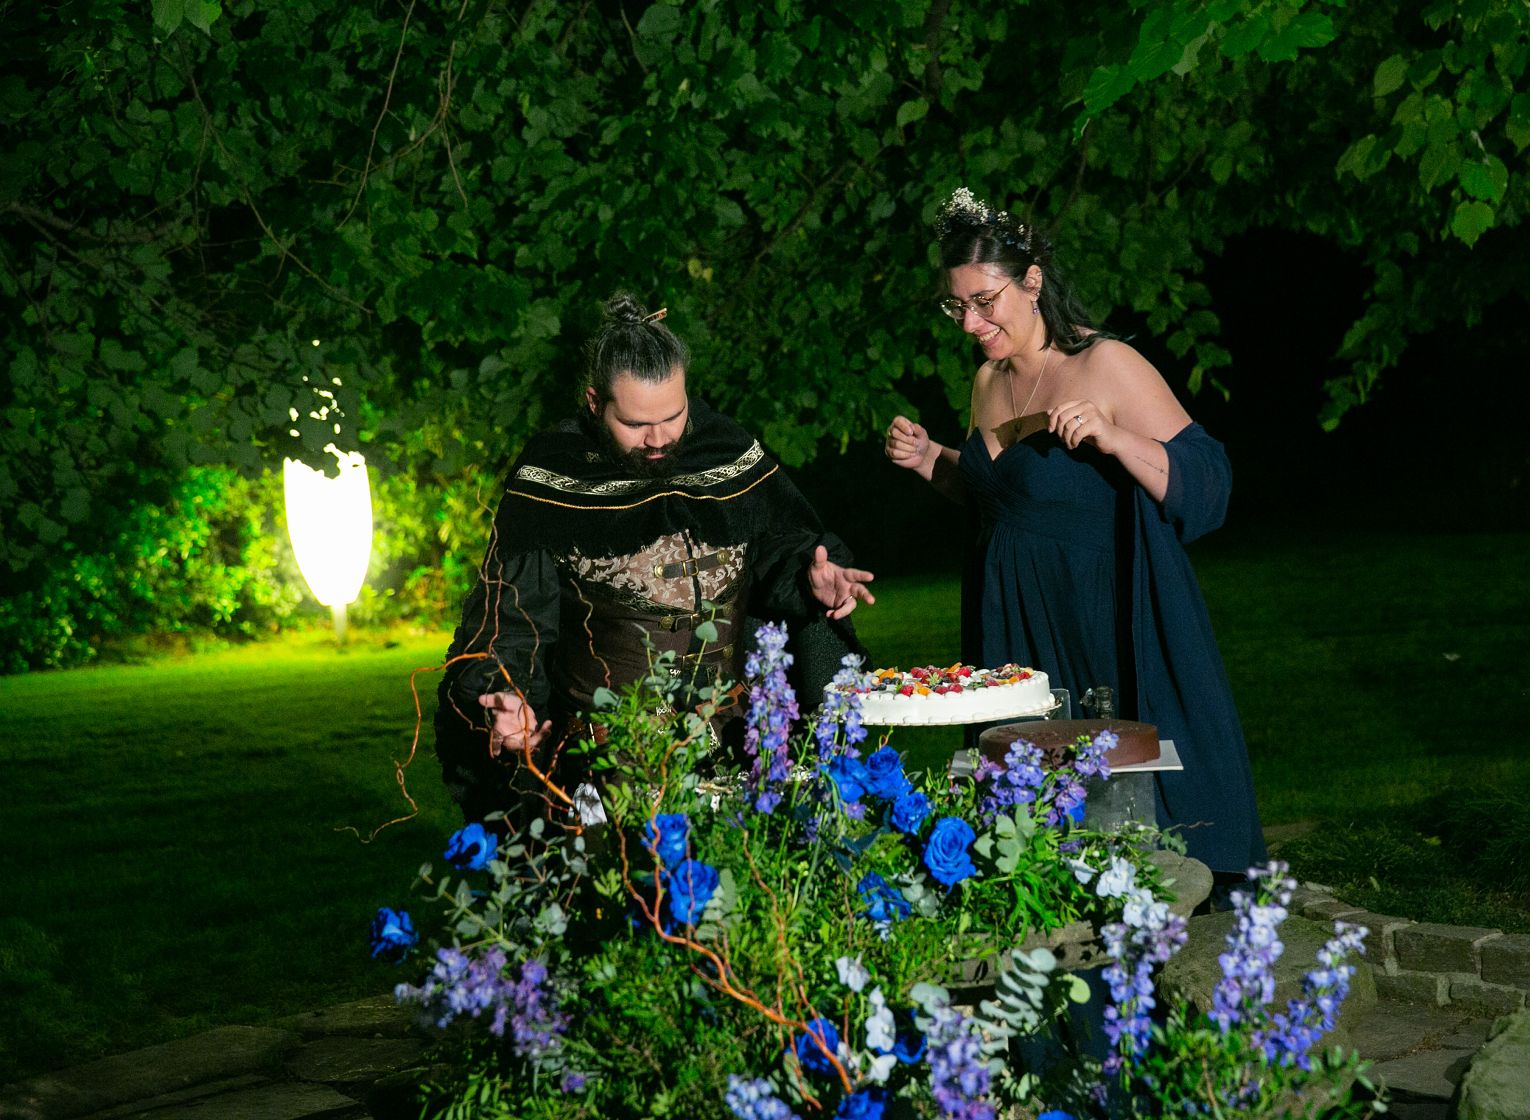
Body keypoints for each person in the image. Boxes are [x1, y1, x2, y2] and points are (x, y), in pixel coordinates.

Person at [883, 187, 1265, 876]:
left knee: (1117, 816)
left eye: (984, 302)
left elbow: (1210, 482)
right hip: (1011, 621)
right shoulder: (988, 381)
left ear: (1031, 282)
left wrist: (1116, 438)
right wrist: (932, 459)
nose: (970, 322)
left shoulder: (1104, 364)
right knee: (1028, 827)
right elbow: (1003, 501)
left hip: (1095, 616)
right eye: (957, 305)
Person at [436, 292, 875, 826]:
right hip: (608, 767)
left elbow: (778, 548)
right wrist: (507, 693)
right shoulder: (551, 478)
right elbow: (511, 621)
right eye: (636, 424)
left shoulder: (725, 450)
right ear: (595, 402)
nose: (660, 438)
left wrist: (810, 577)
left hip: (740, 745)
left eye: (674, 415)